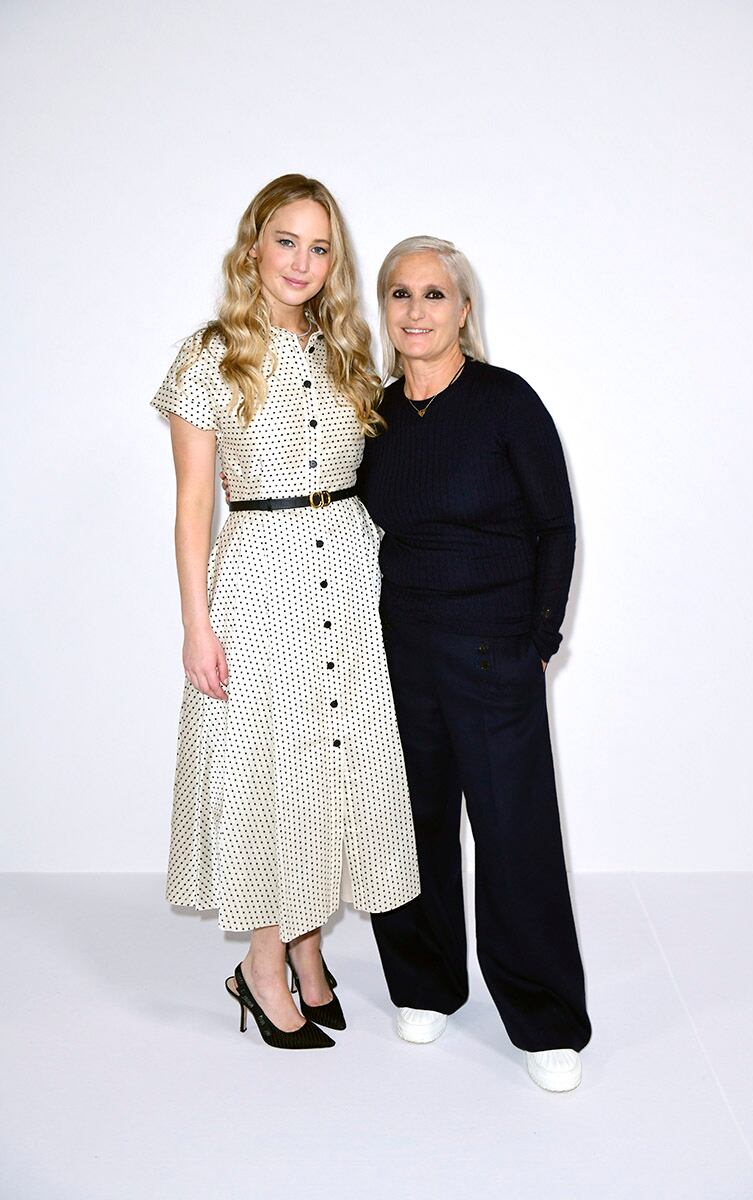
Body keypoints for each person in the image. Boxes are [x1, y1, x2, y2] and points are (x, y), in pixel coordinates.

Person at [151, 176, 419, 1051]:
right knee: (275, 769)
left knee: (332, 764)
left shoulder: (347, 351)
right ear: (253, 245)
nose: (302, 262)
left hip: (347, 566)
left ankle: (307, 951)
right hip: (261, 580)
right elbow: (195, 507)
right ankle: (262, 966)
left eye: (320, 246)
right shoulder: (209, 356)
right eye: (287, 241)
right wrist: (198, 626)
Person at [358, 236, 591, 1090]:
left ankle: (544, 1021)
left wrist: (538, 639)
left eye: (433, 294)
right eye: (398, 294)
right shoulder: (375, 415)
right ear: (384, 310)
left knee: (514, 835)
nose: (415, 311)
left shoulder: (504, 403)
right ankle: (425, 984)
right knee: (411, 828)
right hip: (400, 652)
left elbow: (555, 526)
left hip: (494, 652)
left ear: (463, 309)